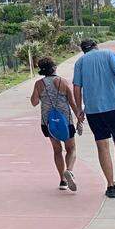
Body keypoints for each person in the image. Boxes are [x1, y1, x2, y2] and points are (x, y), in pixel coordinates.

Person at [73, 38, 115, 198]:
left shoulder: (80, 63)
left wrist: (79, 109)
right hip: (114, 105)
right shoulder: (108, 54)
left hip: (94, 110)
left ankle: (111, 185)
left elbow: (77, 88)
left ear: (83, 50)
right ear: (96, 46)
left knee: (102, 146)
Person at [30, 56, 83, 191]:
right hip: (65, 121)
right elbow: (72, 102)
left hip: (48, 122)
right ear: (54, 68)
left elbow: (34, 102)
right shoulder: (62, 82)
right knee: (71, 149)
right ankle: (69, 170)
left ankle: (62, 180)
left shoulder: (39, 84)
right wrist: (79, 117)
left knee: (57, 150)